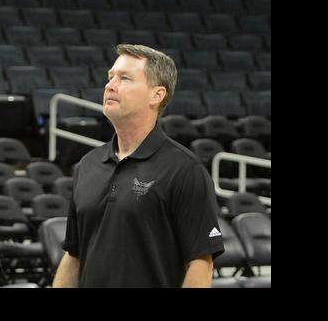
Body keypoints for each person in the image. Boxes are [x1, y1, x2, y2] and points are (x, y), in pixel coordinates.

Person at [53, 45, 224, 288]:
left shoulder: (185, 170)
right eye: (110, 77)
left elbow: (200, 263)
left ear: (157, 95)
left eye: (124, 78)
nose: (110, 85)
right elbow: (74, 254)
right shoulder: (87, 165)